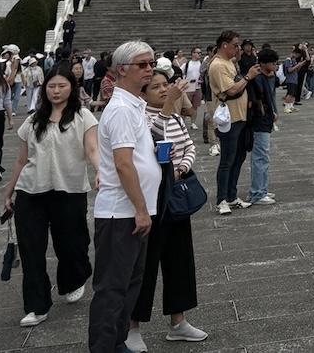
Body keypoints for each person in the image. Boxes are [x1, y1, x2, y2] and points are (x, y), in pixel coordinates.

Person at [2, 63, 97, 327]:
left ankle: (74, 278)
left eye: (61, 86)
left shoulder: (83, 117)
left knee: (72, 243)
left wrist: (101, 170)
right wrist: (10, 190)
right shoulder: (32, 120)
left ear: (72, 87)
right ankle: (37, 305)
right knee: (32, 250)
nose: (56, 91)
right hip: (31, 192)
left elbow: (92, 149)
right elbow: (22, 160)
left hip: (70, 191)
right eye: (51, 86)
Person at [88, 41, 164, 353]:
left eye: (151, 64)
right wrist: (141, 208)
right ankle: (104, 346)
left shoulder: (133, 104)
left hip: (133, 211)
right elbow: (123, 163)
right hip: (122, 212)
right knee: (113, 287)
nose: (149, 70)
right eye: (142, 65)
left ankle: (117, 341)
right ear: (122, 70)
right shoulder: (120, 109)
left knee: (131, 283)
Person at [125, 67, 208, 349]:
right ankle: (132, 326)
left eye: (165, 85)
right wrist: (167, 107)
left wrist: (180, 168)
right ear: (143, 93)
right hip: (148, 199)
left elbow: (188, 147)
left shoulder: (174, 117)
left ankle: (178, 321)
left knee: (179, 259)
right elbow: (148, 145)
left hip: (174, 194)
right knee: (145, 264)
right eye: (156, 87)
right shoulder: (139, 118)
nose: (163, 90)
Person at [208, 31, 254, 215]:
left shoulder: (229, 62)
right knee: (227, 160)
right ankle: (222, 199)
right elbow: (232, 89)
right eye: (235, 45)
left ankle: (232, 196)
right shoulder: (218, 65)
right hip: (229, 119)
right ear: (225, 45)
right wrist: (249, 76)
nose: (238, 48)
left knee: (238, 158)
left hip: (239, 116)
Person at [245, 48, 279, 205]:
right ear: (263, 63)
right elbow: (260, 97)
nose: (275, 66)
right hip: (259, 119)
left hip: (265, 118)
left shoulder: (267, 76)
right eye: (272, 63)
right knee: (261, 156)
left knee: (261, 156)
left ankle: (260, 189)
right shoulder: (258, 78)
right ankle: (258, 192)